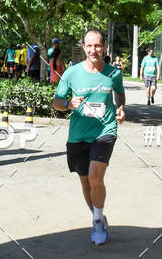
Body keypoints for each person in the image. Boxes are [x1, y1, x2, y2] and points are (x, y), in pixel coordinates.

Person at [52, 28, 125, 246]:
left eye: (98, 45)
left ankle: (97, 224)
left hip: (105, 130)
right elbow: (56, 101)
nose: (94, 50)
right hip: (78, 134)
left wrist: (121, 107)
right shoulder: (71, 74)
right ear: (83, 47)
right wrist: (67, 104)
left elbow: (119, 93)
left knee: (95, 178)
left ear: (104, 47)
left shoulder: (114, 73)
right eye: (89, 45)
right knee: (85, 183)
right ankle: (98, 216)